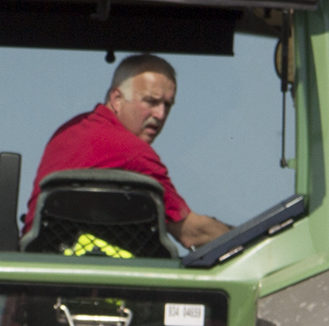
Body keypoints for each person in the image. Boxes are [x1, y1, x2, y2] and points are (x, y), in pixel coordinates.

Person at [26, 54, 230, 251]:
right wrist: (247, 241)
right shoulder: (133, 151)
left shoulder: (68, 131)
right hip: (100, 272)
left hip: (40, 264)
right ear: (116, 98)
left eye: (167, 105)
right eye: (151, 101)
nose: (160, 114)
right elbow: (191, 233)